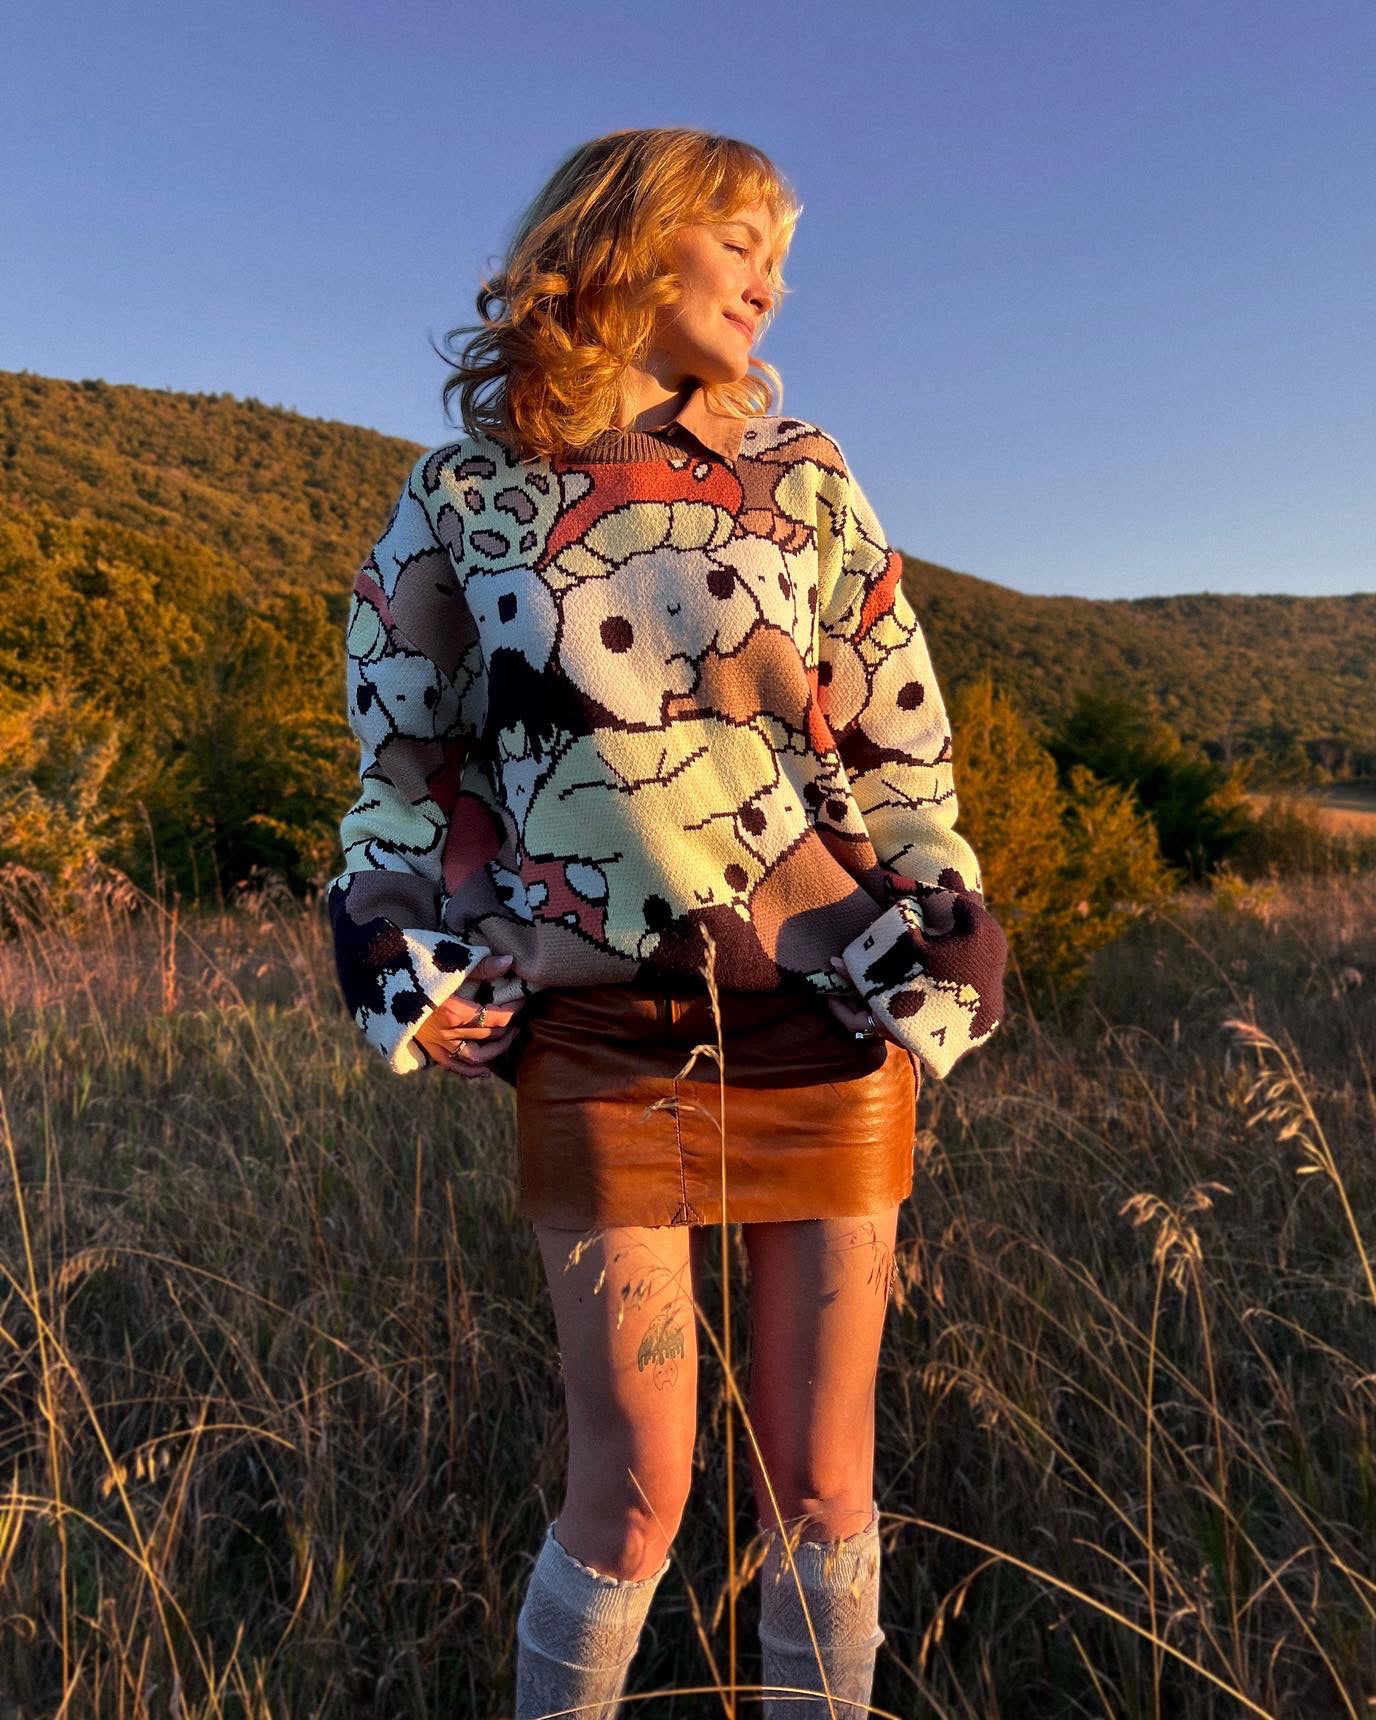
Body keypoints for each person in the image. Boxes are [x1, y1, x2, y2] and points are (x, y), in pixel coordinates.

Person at [327, 128, 1008, 1719]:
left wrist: (943, 933)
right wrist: (397, 952)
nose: (772, 275)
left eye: (784, 248)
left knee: (823, 1486)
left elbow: (901, 738)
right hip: (600, 1038)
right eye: (740, 236)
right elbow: (401, 761)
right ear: (627, 246)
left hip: (824, 1018)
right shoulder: (464, 495)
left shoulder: (807, 476)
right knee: (633, 1488)